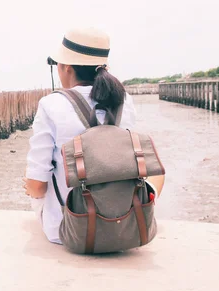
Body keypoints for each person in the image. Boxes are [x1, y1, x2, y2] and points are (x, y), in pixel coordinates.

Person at [24, 28, 165, 244]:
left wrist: (31, 187)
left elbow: (37, 186)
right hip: (124, 224)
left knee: (36, 184)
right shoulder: (124, 101)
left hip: (68, 231)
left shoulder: (50, 104)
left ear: (66, 68)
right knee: (157, 172)